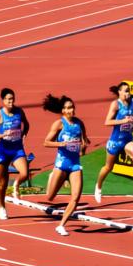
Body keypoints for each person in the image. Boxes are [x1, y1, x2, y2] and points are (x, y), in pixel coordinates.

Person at [42, 93, 90, 236]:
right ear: (63, 110)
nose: (70, 110)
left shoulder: (79, 123)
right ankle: (53, 176)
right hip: (62, 164)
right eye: (67, 108)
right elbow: (46, 142)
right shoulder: (59, 124)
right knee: (50, 197)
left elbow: (84, 141)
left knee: (75, 197)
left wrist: (83, 147)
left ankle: (61, 225)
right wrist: (61, 144)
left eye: (72, 107)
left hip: (75, 165)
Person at [93, 81, 133, 203]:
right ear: (119, 92)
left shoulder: (131, 102)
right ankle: (98, 187)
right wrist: (123, 121)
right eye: (125, 91)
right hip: (115, 141)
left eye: (129, 91)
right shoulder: (116, 105)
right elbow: (107, 122)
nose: (128, 93)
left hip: (127, 139)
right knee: (108, 167)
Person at [0, 87, 30, 220]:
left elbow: (27, 124)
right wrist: (3, 135)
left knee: (25, 173)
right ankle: (1, 206)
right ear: (3, 100)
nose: (11, 101)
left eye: (12, 99)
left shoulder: (19, 111)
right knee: (3, 183)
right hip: (3, 152)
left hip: (17, 149)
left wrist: (24, 134)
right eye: (8, 99)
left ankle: (16, 184)